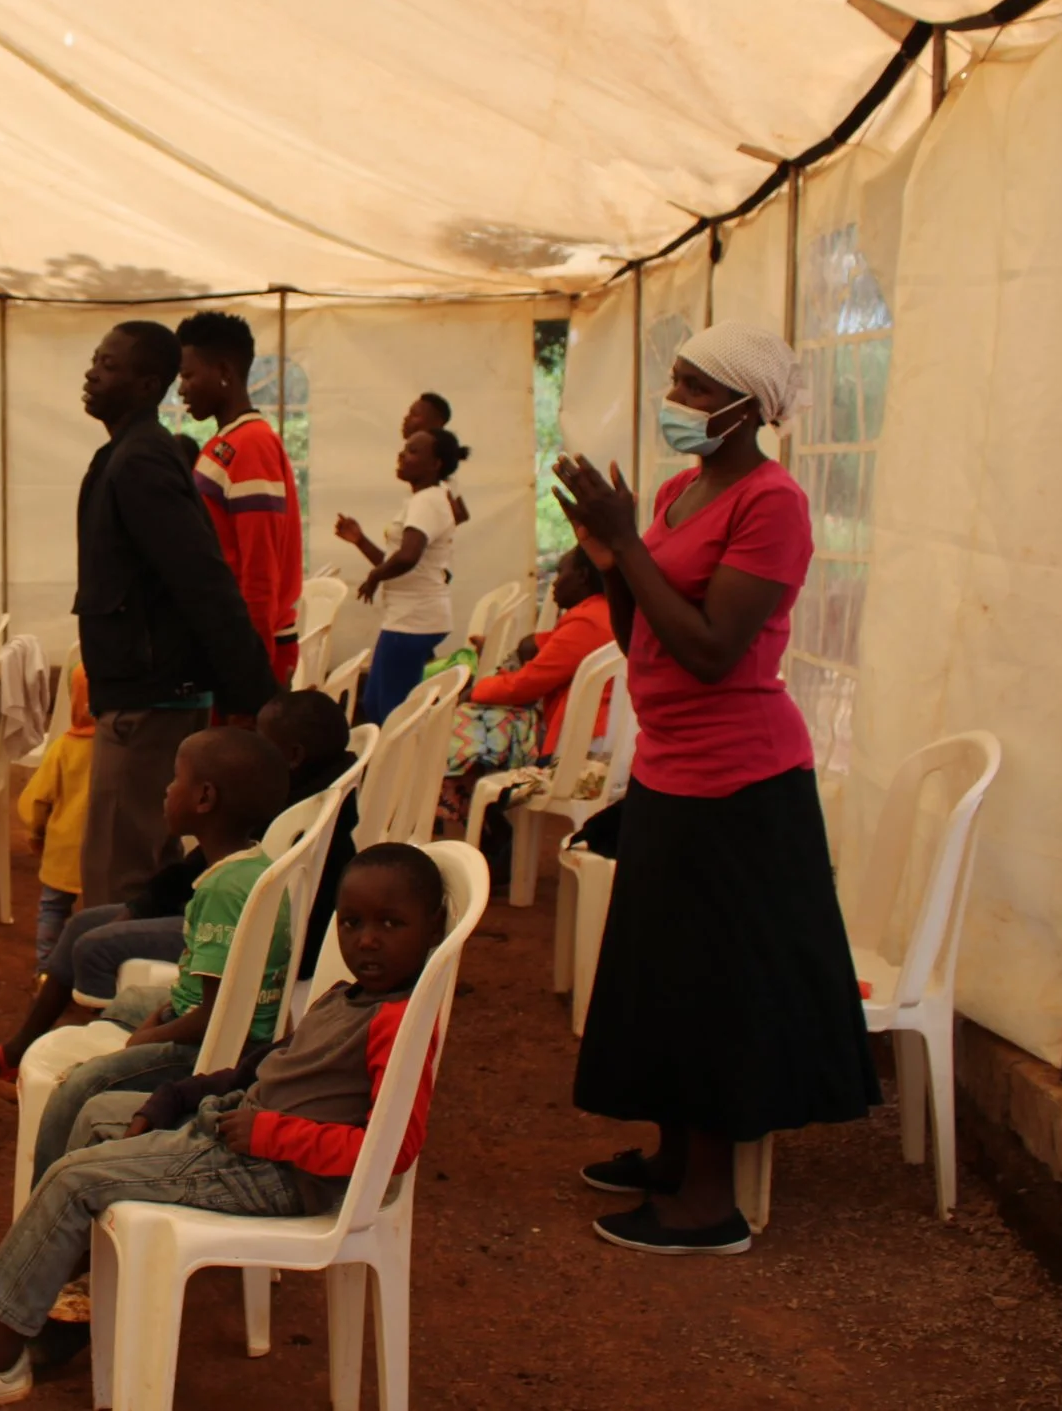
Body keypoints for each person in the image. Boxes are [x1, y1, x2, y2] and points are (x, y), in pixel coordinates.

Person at [0, 842, 449, 1410]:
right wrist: (174, 1097)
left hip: (278, 1172)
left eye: (391, 923)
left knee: (74, 1181)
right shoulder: (346, 997)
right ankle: (76, 1304)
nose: (367, 940)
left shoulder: (397, 1022)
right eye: (352, 922)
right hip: (238, 1133)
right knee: (96, 1119)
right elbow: (263, 1071)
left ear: (433, 928)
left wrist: (266, 1135)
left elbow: (391, 1150)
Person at [553, 321, 876, 1258]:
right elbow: (640, 633)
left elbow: (707, 647)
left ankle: (708, 1202)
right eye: (679, 382)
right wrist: (613, 558)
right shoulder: (676, 492)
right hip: (669, 762)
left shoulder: (774, 504)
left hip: (739, 777)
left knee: (714, 986)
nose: (678, 401)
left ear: (744, 407)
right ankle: (670, 1154)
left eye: (695, 387)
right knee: (665, 972)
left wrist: (629, 547)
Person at [0, 726, 291, 1115]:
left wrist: (146, 1038)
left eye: (176, 779)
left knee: (79, 1090)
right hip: (220, 1024)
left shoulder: (222, 891)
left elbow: (213, 1016)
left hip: (214, 1045)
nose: (167, 789)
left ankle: (58, 1119)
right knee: (129, 1002)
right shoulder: (254, 864)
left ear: (204, 797)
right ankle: (36, 1071)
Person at [75, 322, 279, 908]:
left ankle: (112, 994)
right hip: (143, 693)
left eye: (109, 365)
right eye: (95, 360)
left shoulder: (142, 461)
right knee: (143, 858)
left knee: (120, 871)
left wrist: (256, 695)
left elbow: (202, 579)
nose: (93, 373)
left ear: (145, 384)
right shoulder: (127, 455)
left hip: (149, 702)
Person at [437, 547, 616, 836]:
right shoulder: (605, 613)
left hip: (577, 743)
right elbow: (551, 648)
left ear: (582, 576)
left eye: (561, 573)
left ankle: (491, 828)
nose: (555, 583)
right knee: (485, 725)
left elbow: (525, 686)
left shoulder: (587, 621)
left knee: (469, 724)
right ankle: (488, 822)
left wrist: (478, 690)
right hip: (599, 736)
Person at [175, 311, 303, 686]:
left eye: (188, 375)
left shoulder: (251, 444)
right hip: (230, 643)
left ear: (224, 371)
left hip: (251, 650)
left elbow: (260, 569)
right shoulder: (224, 443)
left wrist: (251, 675)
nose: (182, 389)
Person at [334, 424, 468, 723]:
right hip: (411, 616)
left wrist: (375, 577)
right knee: (376, 701)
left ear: (436, 465)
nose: (402, 455)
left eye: (413, 451)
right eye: (404, 448)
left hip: (413, 620)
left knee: (391, 711)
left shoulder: (427, 501)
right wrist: (360, 540)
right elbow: (397, 561)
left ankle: (402, 767)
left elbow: (407, 557)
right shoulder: (426, 499)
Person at [19, 664, 95, 968]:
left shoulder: (64, 747)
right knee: (102, 912)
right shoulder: (121, 749)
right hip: (106, 856)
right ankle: (95, 973)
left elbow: (37, 799)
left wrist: (36, 832)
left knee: (52, 909)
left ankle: (46, 971)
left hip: (61, 853)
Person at [404, 390, 470, 525]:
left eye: (415, 415)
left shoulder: (435, 465)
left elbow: (459, 513)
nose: (406, 418)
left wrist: (423, 532)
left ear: (437, 422)